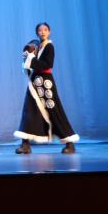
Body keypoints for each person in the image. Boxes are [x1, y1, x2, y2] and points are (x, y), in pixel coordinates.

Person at [14, 22, 79, 154]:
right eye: (40, 30)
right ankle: (25, 145)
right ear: (37, 33)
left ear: (49, 32)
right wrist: (27, 58)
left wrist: (31, 59)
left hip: (46, 83)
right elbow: (30, 65)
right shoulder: (36, 46)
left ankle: (70, 143)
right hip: (34, 83)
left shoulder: (49, 46)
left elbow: (47, 64)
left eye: (45, 30)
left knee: (55, 112)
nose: (42, 32)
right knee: (29, 111)